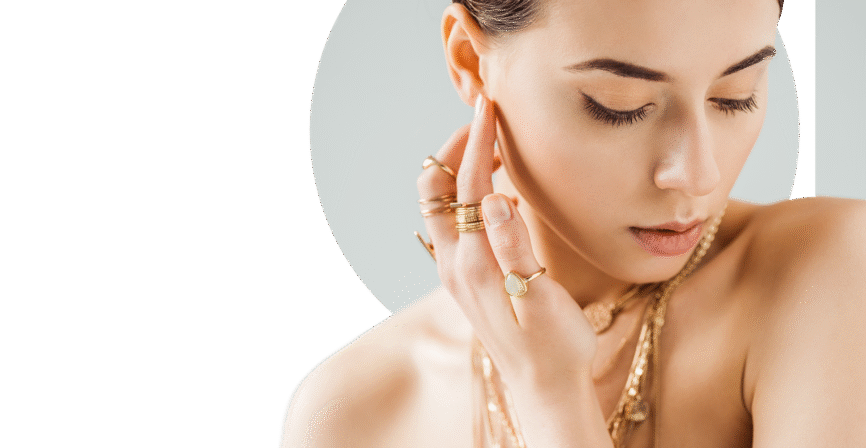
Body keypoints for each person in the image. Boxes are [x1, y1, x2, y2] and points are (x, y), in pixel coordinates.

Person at [282, 0, 866, 446]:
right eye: (619, 105)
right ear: (470, 61)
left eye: (735, 96)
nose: (697, 174)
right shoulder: (353, 415)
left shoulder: (828, 274)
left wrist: (553, 395)